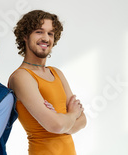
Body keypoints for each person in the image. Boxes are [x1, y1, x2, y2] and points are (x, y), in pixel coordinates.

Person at [8, 10, 87, 155]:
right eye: (39, 32)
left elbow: (83, 120)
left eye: (50, 33)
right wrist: (72, 114)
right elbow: (55, 125)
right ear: (25, 36)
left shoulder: (56, 73)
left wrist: (62, 122)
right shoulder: (21, 77)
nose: (46, 38)